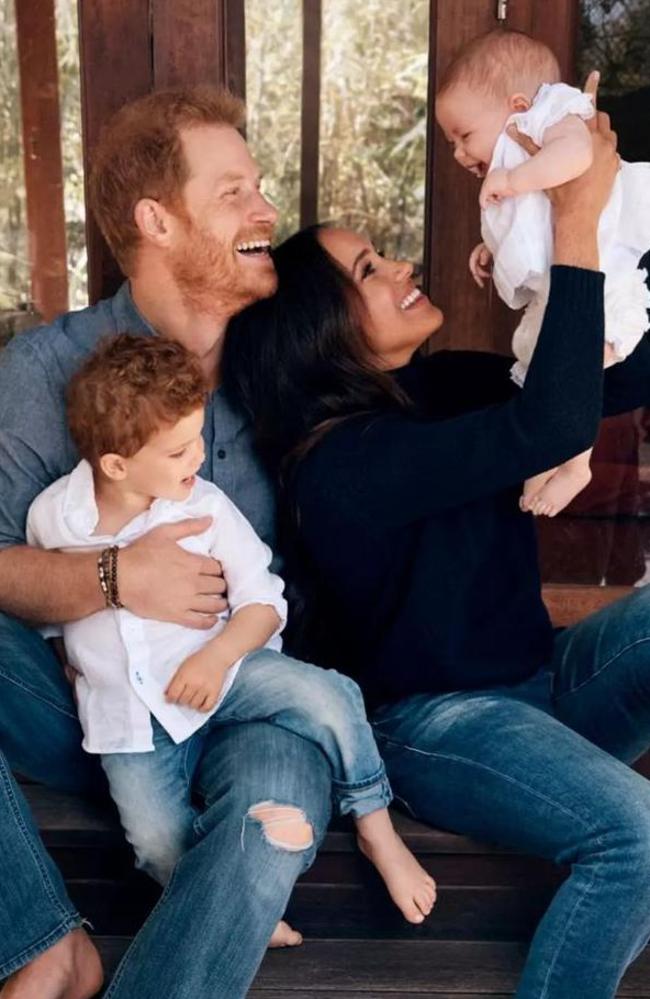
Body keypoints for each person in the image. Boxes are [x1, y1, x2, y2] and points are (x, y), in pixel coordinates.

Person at [223, 104, 650, 998]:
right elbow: (552, 422)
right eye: (370, 270)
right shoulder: (340, 464)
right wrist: (569, 215)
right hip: (440, 727)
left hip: (538, 689)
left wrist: (597, 234)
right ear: (317, 330)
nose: (403, 266)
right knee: (634, 837)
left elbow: (603, 382)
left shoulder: (437, 385)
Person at [0, 86, 335, 999]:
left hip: (249, 697)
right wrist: (113, 577)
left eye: (259, 187)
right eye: (234, 192)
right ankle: (42, 942)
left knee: (273, 823)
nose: (267, 209)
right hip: (95, 713)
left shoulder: (291, 357)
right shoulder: (42, 371)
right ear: (157, 218)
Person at [25, 332, 436, 929]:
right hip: (130, 719)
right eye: (177, 451)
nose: (197, 458)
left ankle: (376, 827)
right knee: (153, 839)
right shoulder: (54, 517)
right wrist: (66, 651)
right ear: (116, 465)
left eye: (197, 438)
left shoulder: (206, 507)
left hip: (228, 668)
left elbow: (264, 603)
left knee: (330, 696)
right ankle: (228, 903)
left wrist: (217, 657)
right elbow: (49, 603)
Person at [435, 30, 650, 518]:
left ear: (516, 105)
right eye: (451, 142)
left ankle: (576, 465)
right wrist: (490, 249)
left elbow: (578, 158)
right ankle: (547, 456)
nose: (458, 154)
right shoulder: (524, 152)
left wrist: (512, 179)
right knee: (544, 373)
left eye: (464, 136)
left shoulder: (557, 115)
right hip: (561, 290)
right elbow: (533, 225)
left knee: (574, 371)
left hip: (607, 283)